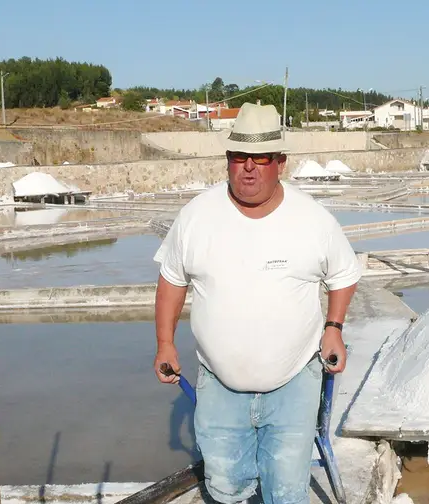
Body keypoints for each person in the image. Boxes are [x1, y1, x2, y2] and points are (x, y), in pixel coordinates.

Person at [152, 102, 362, 504]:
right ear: (228, 160)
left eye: (260, 157)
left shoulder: (312, 219)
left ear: (280, 162)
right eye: (238, 157)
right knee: (226, 487)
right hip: (218, 383)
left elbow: (344, 275)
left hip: (294, 382)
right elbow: (171, 280)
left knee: (285, 491)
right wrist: (165, 342)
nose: (248, 167)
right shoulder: (197, 216)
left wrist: (333, 329)